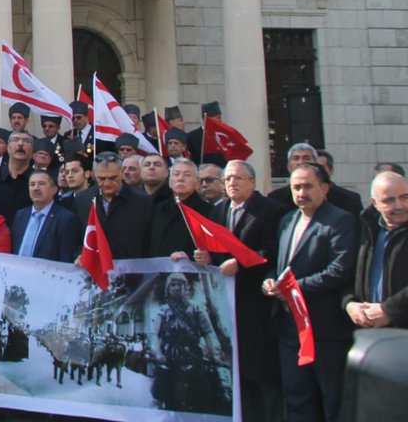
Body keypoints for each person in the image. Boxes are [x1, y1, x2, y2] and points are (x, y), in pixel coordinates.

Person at [262, 163, 358, 422]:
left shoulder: (341, 220)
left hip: (325, 331)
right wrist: (270, 281)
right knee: (296, 399)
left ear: (324, 188)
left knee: (332, 401)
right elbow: (281, 266)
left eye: (307, 186)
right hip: (289, 330)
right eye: (296, 187)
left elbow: (340, 270)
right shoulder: (287, 220)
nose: (301, 192)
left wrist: (294, 289)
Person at [211, 159, 283, 422]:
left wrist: (240, 264)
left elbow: (272, 252)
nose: (232, 183)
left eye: (238, 178)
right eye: (228, 179)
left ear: (252, 182)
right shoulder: (219, 211)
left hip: (255, 304)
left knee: (259, 376)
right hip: (226, 307)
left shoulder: (270, 211)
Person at [152, 272, 228, 414]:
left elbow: (208, 333)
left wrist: (213, 355)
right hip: (170, 358)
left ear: (185, 287)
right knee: (168, 396)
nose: (177, 288)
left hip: (194, 355)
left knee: (203, 393)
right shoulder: (163, 311)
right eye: (173, 285)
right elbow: (155, 334)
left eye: (180, 284)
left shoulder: (196, 309)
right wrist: (158, 352)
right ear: (168, 288)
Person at [342, 170, 408, 329]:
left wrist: (388, 310)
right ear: (375, 203)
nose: (399, 205)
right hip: (370, 331)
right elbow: (345, 273)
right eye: (389, 200)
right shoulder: (364, 229)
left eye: (405, 197)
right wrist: (349, 304)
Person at [74, 152, 153, 261]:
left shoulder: (143, 202)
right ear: (93, 175)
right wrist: (79, 255)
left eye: (112, 178)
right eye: (101, 178)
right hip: (94, 270)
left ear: (122, 173)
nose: (107, 183)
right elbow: (76, 237)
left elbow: (149, 241)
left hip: (131, 271)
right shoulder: (82, 199)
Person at [12, 170, 80, 262]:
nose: (36, 188)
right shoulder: (20, 215)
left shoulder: (65, 219)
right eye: (32, 184)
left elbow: (65, 258)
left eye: (41, 184)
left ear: (54, 190)